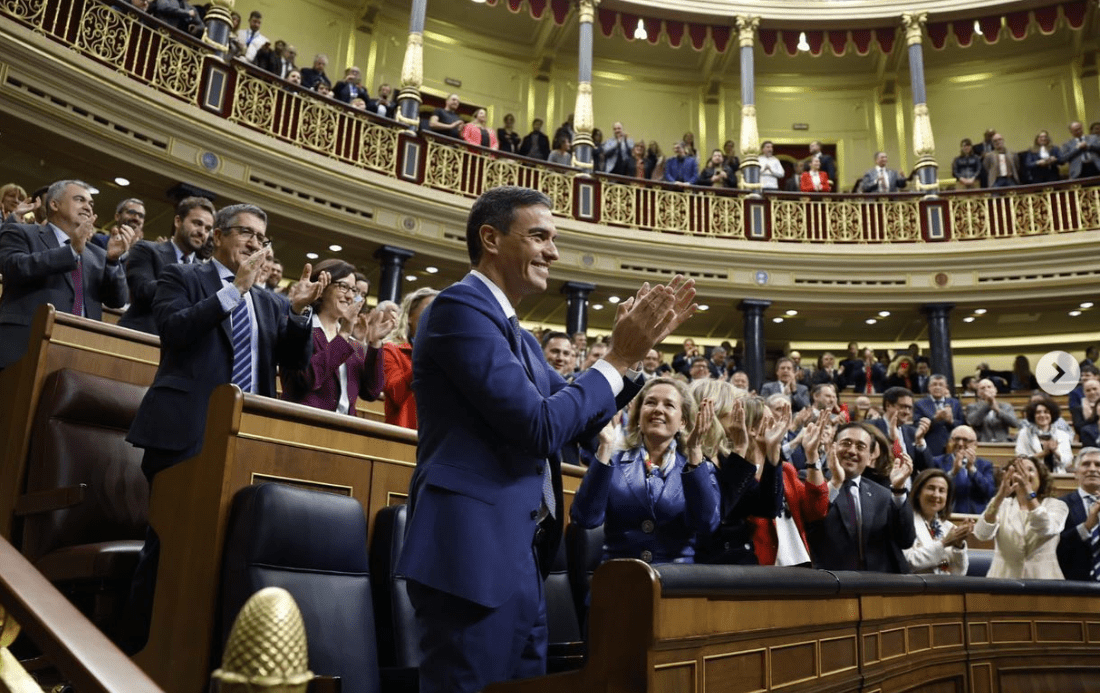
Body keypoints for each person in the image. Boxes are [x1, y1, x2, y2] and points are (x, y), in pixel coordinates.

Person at [393, 186, 696, 693]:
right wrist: (616, 359)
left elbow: (573, 418)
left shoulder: (519, 336)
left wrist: (635, 360)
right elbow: (539, 427)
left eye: (553, 238)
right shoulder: (458, 310)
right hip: (469, 555)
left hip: (521, 557)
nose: (553, 252)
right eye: (539, 236)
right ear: (490, 238)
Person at [123, 202, 323, 650]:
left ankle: (200, 659)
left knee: (230, 559)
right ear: (218, 237)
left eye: (262, 238)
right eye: (245, 233)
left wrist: (298, 315)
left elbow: (294, 363)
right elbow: (174, 330)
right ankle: (131, 655)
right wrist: (232, 291)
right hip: (184, 435)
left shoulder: (271, 302)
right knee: (169, 551)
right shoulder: (184, 278)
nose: (255, 243)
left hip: (249, 445)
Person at [570, 377, 720, 564]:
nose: (658, 409)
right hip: (617, 581)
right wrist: (605, 447)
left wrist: (695, 451)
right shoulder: (612, 461)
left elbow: (706, 524)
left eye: (669, 405)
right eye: (650, 402)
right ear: (639, 415)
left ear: (682, 421)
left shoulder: (699, 468)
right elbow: (585, 518)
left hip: (675, 585)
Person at [0, 180, 133, 369]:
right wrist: (70, 252)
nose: (88, 207)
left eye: (91, 204)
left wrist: (112, 261)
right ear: (54, 204)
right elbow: (14, 268)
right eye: (80, 200)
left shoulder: (98, 254)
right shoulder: (20, 232)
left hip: (78, 354)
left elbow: (117, 300)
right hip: (23, 347)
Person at [281, 259, 396, 416]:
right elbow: (304, 379)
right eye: (343, 287)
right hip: (304, 426)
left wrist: (375, 343)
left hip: (343, 431)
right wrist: (343, 334)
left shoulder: (353, 345)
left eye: (353, 290)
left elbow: (371, 392)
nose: (350, 296)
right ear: (322, 287)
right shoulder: (300, 329)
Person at [806, 422, 916, 572]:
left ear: (871, 457)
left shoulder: (883, 494)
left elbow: (906, 540)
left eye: (860, 447)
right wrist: (835, 483)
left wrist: (898, 491)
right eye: (846, 443)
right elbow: (811, 525)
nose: (852, 451)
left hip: (878, 587)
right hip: (831, 584)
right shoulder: (811, 482)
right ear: (832, 447)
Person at [748, 394, 828, 566]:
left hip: (799, 563)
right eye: (770, 420)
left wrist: (812, 456)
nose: (778, 425)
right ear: (751, 429)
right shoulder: (739, 473)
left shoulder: (786, 470)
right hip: (762, 568)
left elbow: (817, 510)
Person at [119, 196, 215, 334]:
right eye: (197, 223)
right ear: (178, 221)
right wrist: (190, 286)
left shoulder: (205, 270)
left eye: (207, 229)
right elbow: (143, 291)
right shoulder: (146, 249)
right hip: (140, 337)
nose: (202, 232)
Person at [973, 456, 1068, 579]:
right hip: (1003, 579)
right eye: (1018, 470)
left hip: (1044, 581)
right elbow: (981, 534)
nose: (1024, 474)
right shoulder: (1001, 503)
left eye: (1030, 470)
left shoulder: (1056, 505)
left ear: (1041, 478)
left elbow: (1045, 528)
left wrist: (1027, 490)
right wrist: (1000, 496)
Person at [381, 287, 437, 429]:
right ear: (409, 316)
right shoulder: (391, 350)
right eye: (429, 309)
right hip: (404, 436)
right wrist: (424, 353)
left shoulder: (447, 353)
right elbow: (396, 395)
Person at [904, 469, 972, 575]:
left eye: (942, 490)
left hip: (946, 588)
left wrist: (958, 546)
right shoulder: (904, 523)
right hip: (915, 588)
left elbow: (960, 573)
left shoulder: (949, 527)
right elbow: (909, 562)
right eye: (931, 488)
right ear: (918, 492)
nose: (936, 495)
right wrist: (943, 543)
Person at [1056, 448, 1100, 581]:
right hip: (1075, 587)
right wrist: (1086, 527)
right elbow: (1055, 549)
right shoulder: (1060, 505)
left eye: (1098, 465)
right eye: (1086, 464)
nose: (1092, 469)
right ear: (1075, 473)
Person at [931, 425, 995, 514]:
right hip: (945, 515)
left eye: (965, 440)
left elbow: (990, 493)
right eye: (956, 439)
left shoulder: (985, 465)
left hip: (975, 517)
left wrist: (972, 469)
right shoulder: (937, 462)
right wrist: (953, 472)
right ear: (950, 441)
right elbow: (933, 490)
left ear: (975, 444)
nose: (960, 444)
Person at [1015, 397, 1072, 473]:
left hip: (1057, 474)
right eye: (1038, 412)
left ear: (1052, 415)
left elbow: (1068, 462)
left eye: (1046, 412)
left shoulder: (1062, 434)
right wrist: (1044, 453)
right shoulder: (1024, 433)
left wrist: (1055, 451)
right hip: (1033, 474)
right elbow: (1020, 459)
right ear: (1033, 415)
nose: (1042, 415)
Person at [913, 375, 965, 457]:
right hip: (931, 446)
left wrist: (951, 421)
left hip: (953, 446)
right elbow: (916, 426)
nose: (937, 387)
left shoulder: (955, 403)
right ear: (929, 387)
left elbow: (963, 425)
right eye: (934, 384)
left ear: (946, 388)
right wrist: (934, 419)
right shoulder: (920, 404)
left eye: (941, 385)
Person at [966, 378, 1020, 443]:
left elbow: (1015, 423)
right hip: (982, 444)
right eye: (982, 388)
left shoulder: (1006, 406)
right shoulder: (972, 406)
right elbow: (973, 422)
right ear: (978, 393)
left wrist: (998, 411)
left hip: (1003, 443)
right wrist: (988, 404)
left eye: (989, 387)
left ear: (995, 390)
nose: (986, 389)